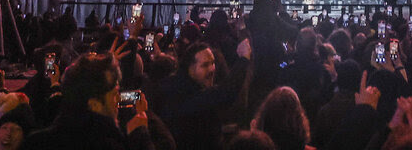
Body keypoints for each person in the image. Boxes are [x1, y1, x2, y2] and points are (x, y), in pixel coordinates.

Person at [21, 53, 152, 150]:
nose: (118, 99)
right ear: (94, 104)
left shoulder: (35, 142)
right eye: (113, 94)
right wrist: (140, 136)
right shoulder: (109, 144)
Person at [158, 41, 246, 150]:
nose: (212, 69)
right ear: (190, 68)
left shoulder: (191, 85)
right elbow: (223, 93)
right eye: (205, 65)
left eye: (213, 63)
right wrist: (244, 60)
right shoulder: (179, 92)